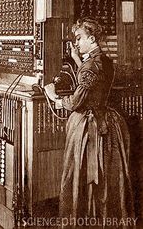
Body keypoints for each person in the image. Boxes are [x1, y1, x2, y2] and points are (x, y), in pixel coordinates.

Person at [45, 18, 135, 228]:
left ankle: (84, 221)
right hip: (108, 121)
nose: (76, 43)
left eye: (79, 38)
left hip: (88, 126)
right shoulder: (103, 60)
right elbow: (94, 77)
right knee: (104, 178)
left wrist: (53, 97)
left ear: (91, 38)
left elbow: (76, 102)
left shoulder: (90, 67)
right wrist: (77, 60)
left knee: (81, 174)